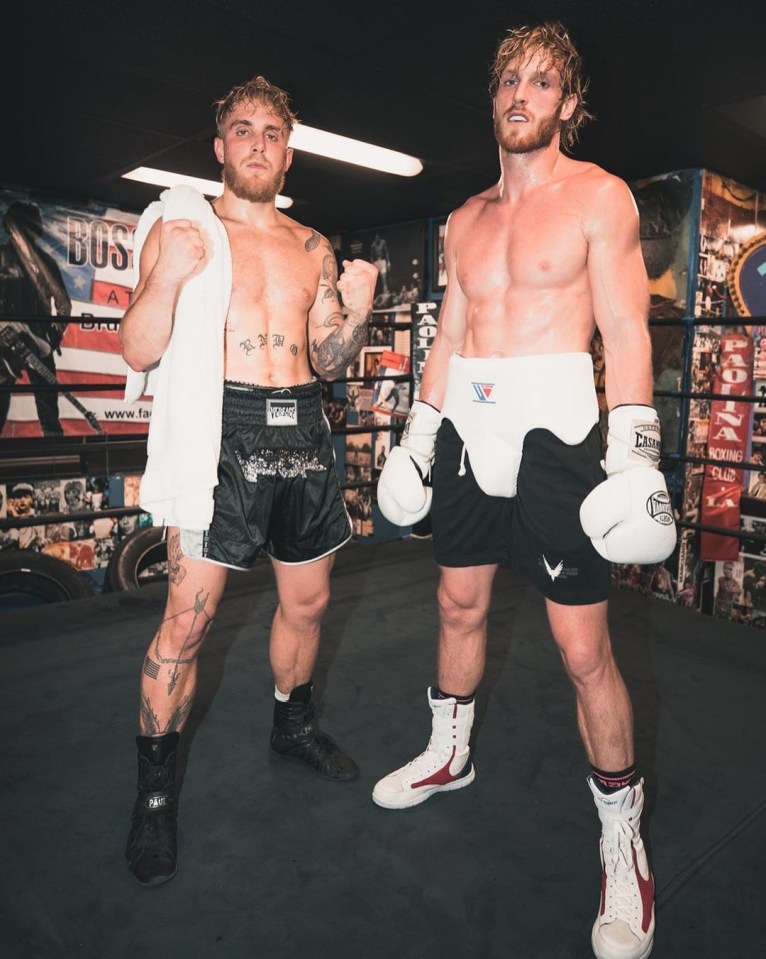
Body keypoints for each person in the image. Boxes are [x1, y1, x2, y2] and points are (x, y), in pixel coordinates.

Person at [375, 22, 675, 959]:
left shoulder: (599, 197)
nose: (521, 91)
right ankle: (450, 751)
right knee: (456, 600)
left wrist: (634, 450)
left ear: (568, 105)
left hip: (558, 432)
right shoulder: (464, 219)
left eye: (542, 80)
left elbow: (626, 327)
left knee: (581, 646)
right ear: (494, 96)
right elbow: (449, 335)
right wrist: (421, 435)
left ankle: (622, 840)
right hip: (470, 422)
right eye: (509, 77)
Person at [119, 75, 377, 887]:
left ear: (287, 150)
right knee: (185, 626)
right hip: (218, 430)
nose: (258, 143)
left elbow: (332, 361)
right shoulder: (184, 228)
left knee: (308, 602)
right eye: (243, 129)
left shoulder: (313, 247)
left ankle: (291, 726)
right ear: (221, 146)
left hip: (303, 426)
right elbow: (136, 349)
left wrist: (360, 309)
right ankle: (155, 803)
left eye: (272, 132)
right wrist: (167, 276)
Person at [0, 201, 69, 437]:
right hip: (4, 340)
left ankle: (55, 456)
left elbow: (63, 305)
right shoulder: (1, 256)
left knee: (48, 403)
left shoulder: (46, 263)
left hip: (39, 340)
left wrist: (54, 337)